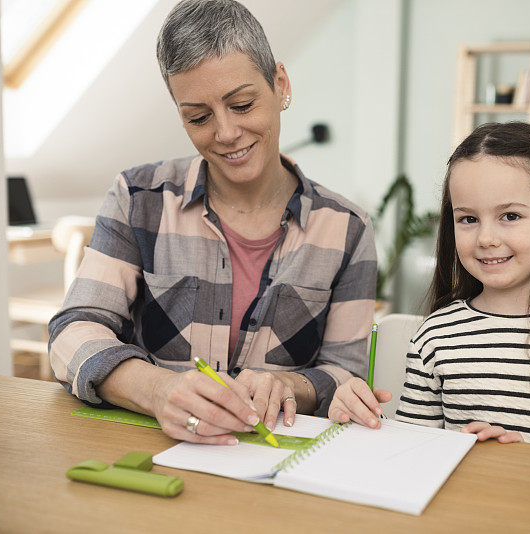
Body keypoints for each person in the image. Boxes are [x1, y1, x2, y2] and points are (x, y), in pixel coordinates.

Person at [48, 0, 376, 446]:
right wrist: (157, 390)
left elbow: (347, 372)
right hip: (152, 452)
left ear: (280, 85)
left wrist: (289, 387)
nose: (225, 133)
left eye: (242, 105)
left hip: (275, 461)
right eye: (198, 117)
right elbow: (73, 330)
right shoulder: (137, 199)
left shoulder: (348, 229)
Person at [329, 122, 530, 448]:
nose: (486, 239)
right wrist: (361, 421)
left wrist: (527, 459)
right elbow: (412, 452)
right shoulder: (435, 336)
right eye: (468, 219)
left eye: (509, 216)